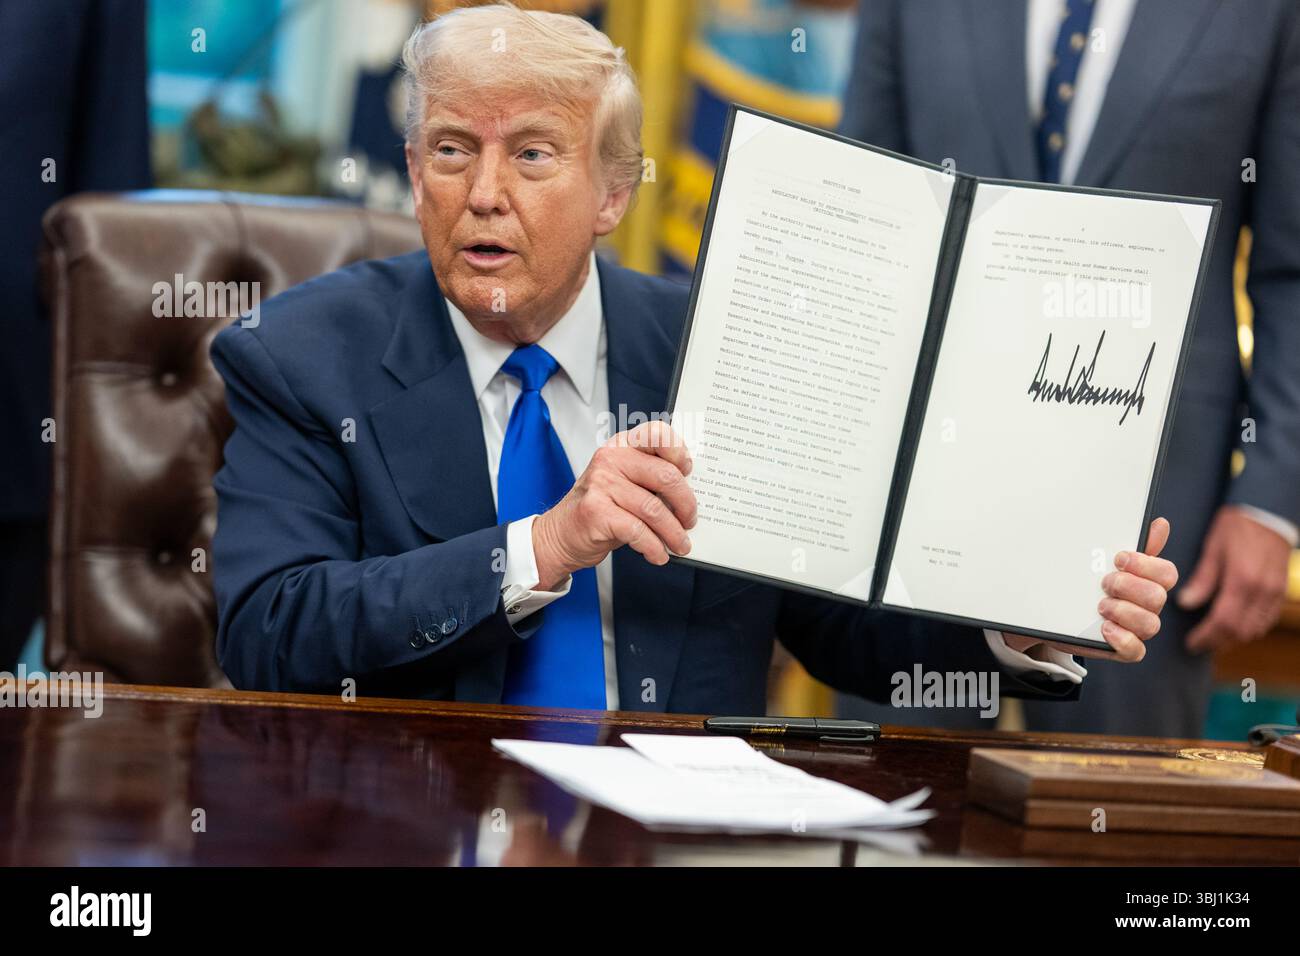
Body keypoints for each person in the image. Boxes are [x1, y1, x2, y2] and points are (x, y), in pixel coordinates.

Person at [209, 2, 1176, 713]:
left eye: (536, 155)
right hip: (410, 820)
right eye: (454, 151)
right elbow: (267, 632)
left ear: (615, 195)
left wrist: (1017, 622)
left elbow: (837, 628)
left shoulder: (724, 349)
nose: (486, 193)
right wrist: (543, 548)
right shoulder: (301, 356)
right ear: (415, 174)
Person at [836, 0, 1300, 737]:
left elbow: (1292, 269)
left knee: (1124, 810)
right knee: (899, 800)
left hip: (1155, 503)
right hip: (924, 474)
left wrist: (1271, 500)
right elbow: (861, 212)